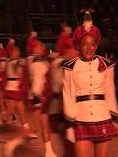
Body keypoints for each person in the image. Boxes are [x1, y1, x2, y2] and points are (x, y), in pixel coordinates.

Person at [62, 11, 118, 157]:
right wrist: (69, 123)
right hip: (81, 119)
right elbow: (68, 95)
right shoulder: (69, 67)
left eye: (93, 44)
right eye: (85, 44)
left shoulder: (106, 65)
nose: (89, 48)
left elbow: (110, 92)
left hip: (103, 117)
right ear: (78, 46)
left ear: (97, 45)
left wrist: (114, 118)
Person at [49, 26, 78, 157]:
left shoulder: (59, 61)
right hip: (61, 107)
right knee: (69, 142)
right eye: (74, 49)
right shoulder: (63, 62)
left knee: (67, 143)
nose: (77, 52)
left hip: (59, 106)